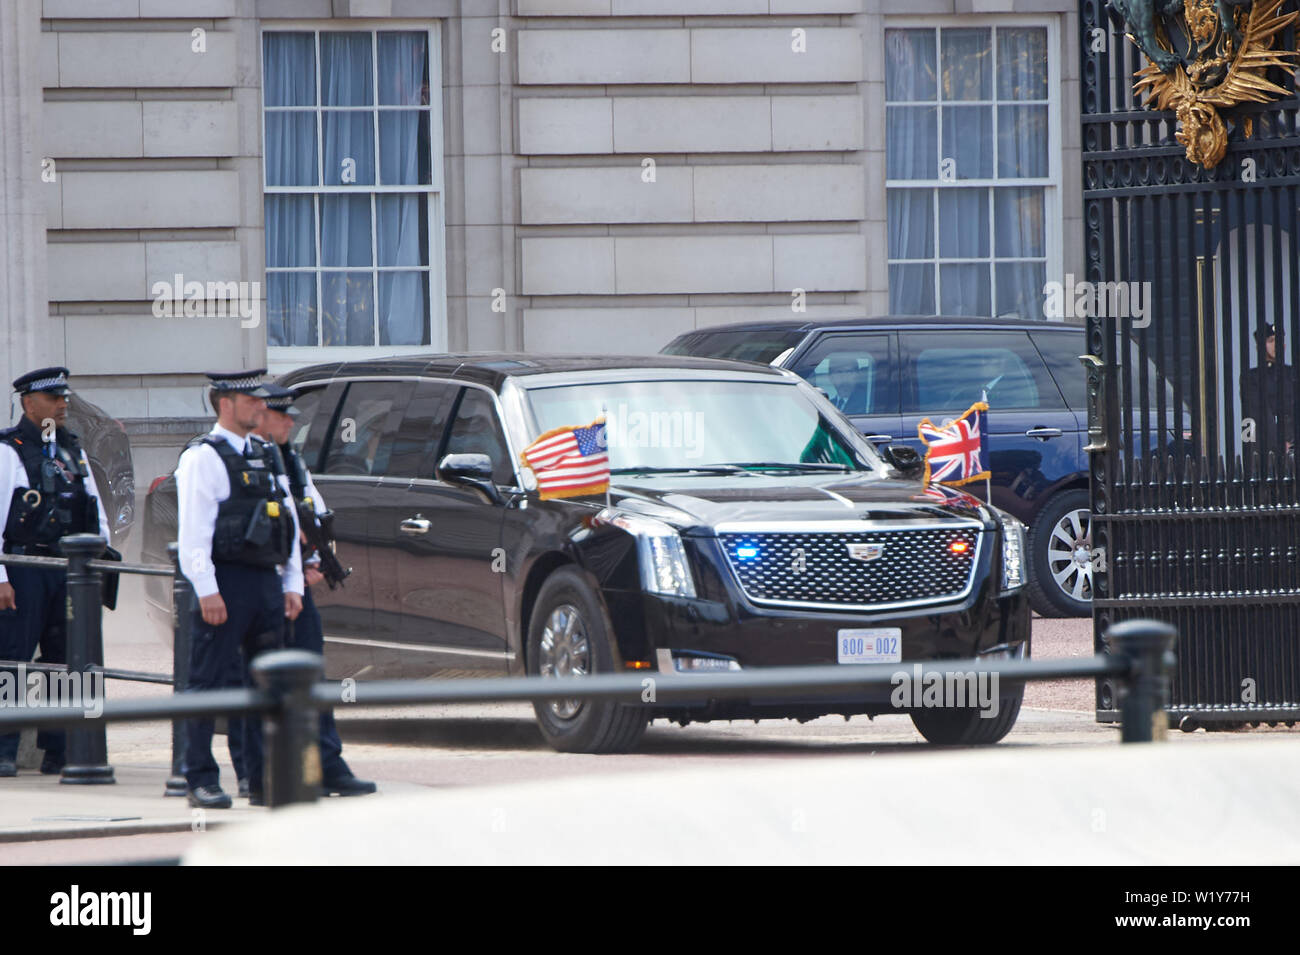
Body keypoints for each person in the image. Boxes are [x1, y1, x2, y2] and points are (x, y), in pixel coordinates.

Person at [176, 370, 303, 808]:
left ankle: (261, 776)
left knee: (267, 684)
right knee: (206, 683)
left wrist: (292, 583)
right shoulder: (203, 457)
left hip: (265, 580)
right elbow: (194, 532)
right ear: (225, 402)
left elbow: (286, 523)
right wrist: (207, 590)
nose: (261, 408)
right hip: (225, 581)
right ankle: (199, 777)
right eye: (252, 401)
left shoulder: (266, 454)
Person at [254, 385, 376, 797]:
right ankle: (263, 774)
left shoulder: (291, 460)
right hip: (256, 585)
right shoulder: (237, 457)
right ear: (258, 414)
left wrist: (314, 563)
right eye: (282, 415)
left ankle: (326, 764)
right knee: (256, 682)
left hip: (296, 587)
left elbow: (316, 514)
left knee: (311, 676)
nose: (291, 421)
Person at [0, 367, 113, 778]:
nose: (63, 405)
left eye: (64, 397)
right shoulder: (9, 450)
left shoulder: (72, 448)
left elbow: (93, 506)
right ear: (29, 404)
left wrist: (99, 557)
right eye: (53, 399)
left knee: (66, 659)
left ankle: (60, 749)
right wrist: (1, 578)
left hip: (69, 568)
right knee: (12, 659)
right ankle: (3, 749)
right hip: (25, 566)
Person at [1240, 322, 1296, 455]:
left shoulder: (1292, 373)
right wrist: (1278, 442)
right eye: (1271, 341)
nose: (1276, 345)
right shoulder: (1251, 377)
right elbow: (1256, 413)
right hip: (1266, 447)